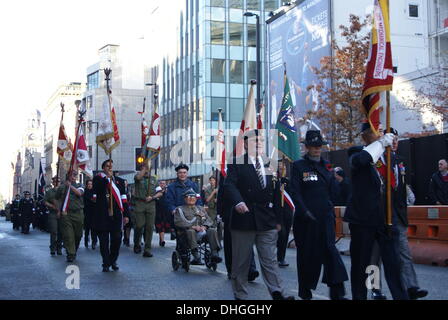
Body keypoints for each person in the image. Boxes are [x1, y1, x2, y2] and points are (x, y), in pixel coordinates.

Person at [224, 129, 294, 300]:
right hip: (244, 218)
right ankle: (241, 295)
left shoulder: (270, 163)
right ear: (246, 144)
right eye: (255, 140)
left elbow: (276, 192)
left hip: (266, 218)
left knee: (269, 260)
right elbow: (229, 186)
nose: (259, 143)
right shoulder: (236, 163)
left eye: (261, 141)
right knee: (241, 262)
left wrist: (279, 219)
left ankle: (278, 293)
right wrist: (238, 202)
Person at [344, 122, 409, 300]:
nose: (382, 134)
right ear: (366, 136)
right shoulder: (356, 153)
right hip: (363, 220)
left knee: (394, 264)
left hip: (387, 219)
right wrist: (380, 144)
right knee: (361, 265)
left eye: (382, 131)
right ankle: (360, 296)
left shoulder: (390, 157)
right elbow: (361, 160)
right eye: (378, 131)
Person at [369, 128, 428, 300]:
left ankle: (411, 286)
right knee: (375, 256)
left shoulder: (399, 161)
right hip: (377, 215)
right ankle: (375, 289)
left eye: (396, 139)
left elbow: (401, 189)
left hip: (397, 215)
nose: (394, 142)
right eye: (390, 139)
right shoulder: (373, 160)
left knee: (403, 252)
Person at [290, 130, 348, 300]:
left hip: (325, 219)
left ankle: (337, 292)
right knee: (307, 258)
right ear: (307, 147)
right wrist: (304, 211)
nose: (317, 149)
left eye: (319, 146)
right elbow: (295, 192)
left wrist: (340, 186)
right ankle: (305, 291)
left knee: (331, 253)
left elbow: (334, 192)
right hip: (306, 221)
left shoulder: (327, 166)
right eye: (313, 146)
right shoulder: (298, 166)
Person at [92, 160, 130, 272]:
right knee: (104, 241)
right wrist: (106, 179)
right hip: (103, 214)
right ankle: (106, 262)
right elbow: (97, 189)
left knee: (117, 239)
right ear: (103, 168)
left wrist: (126, 214)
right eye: (107, 166)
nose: (110, 168)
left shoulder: (119, 181)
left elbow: (124, 198)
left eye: (111, 166)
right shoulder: (98, 179)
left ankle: (113, 259)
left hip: (116, 215)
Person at [173, 188, 222, 265]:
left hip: (201, 233)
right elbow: (178, 222)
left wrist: (205, 226)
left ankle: (214, 254)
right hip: (186, 234)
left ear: (196, 198)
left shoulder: (200, 208)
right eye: (189, 197)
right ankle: (196, 255)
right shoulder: (180, 209)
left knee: (212, 230)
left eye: (193, 197)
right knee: (190, 231)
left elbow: (209, 220)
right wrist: (192, 227)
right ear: (185, 199)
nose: (191, 199)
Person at [133, 163, 162, 257]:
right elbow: (138, 178)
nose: (146, 170)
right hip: (139, 203)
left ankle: (147, 249)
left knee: (149, 227)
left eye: (147, 169)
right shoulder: (138, 177)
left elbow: (160, 192)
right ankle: (137, 244)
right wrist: (143, 170)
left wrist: (153, 197)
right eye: (143, 169)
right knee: (139, 225)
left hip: (150, 204)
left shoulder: (154, 179)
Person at [56, 170, 85, 263]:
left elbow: (79, 193)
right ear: (68, 176)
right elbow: (58, 199)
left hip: (78, 214)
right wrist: (58, 210)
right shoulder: (62, 187)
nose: (74, 177)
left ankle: (74, 250)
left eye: (75, 175)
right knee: (68, 235)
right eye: (72, 175)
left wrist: (70, 186)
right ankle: (70, 253)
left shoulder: (80, 185)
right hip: (66, 214)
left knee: (78, 235)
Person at [276, 161, 293, 268]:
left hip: (288, 212)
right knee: (280, 234)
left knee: (285, 235)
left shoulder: (289, 182)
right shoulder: (274, 181)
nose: (282, 169)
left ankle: (281, 257)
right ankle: (275, 256)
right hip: (277, 212)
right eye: (280, 168)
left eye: (284, 167)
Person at [44, 176, 64, 256]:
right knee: (54, 231)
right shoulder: (49, 192)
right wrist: (52, 206)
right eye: (55, 181)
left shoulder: (63, 191)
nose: (56, 183)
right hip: (53, 213)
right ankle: (52, 248)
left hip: (62, 213)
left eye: (58, 181)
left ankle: (59, 248)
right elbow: (45, 201)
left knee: (61, 232)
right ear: (53, 183)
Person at [155, 180, 170, 247]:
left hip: (166, 211)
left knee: (164, 225)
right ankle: (162, 240)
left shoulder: (168, 191)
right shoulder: (157, 191)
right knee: (160, 226)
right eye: (161, 183)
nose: (162, 184)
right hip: (158, 211)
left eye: (163, 183)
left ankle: (162, 240)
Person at [83, 180, 97, 250]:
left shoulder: (94, 192)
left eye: (91, 184)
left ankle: (94, 242)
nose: (89, 185)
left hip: (94, 213)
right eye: (88, 184)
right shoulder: (85, 192)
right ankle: (86, 241)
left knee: (93, 229)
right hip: (86, 213)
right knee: (87, 229)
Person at [122, 179, 132, 247]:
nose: (125, 184)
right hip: (122, 209)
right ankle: (124, 237)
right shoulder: (120, 190)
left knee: (128, 225)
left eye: (126, 183)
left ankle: (127, 238)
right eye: (124, 183)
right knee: (123, 225)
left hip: (129, 209)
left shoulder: (129, 191)